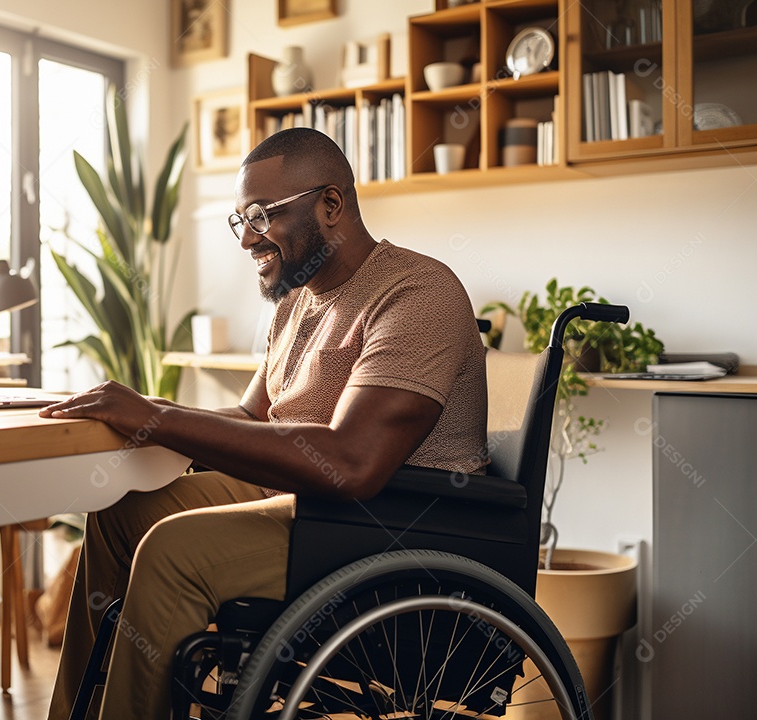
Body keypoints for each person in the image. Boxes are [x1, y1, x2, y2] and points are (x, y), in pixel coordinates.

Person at [40, 126, 487, 720]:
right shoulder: (296, 302)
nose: (248, 238)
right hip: (296, 502)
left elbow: (352, 462)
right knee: (120, 513)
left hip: (383, 525)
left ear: (331, 205)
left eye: (260, 215)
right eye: (240, 221)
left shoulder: (417, 293)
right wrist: (139, 414)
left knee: (174, 550)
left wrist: (158, 418)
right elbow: (252, 418)